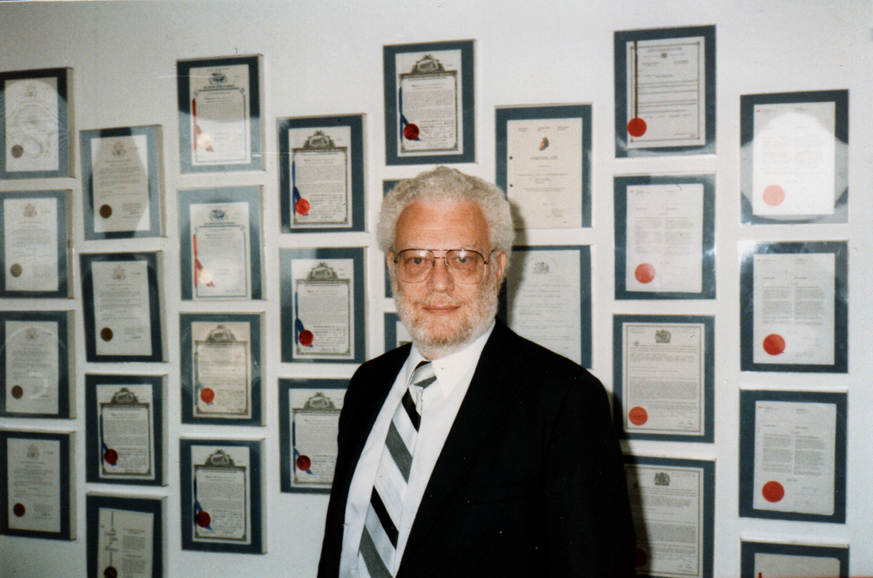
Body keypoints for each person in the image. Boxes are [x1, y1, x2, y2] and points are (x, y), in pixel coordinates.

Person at [317, 166, 636, 578]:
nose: (439, 282)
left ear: (497, 267)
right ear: (392, 268)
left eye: (463, 259)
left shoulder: (564, 401)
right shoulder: (368, 385)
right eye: (417, 259)